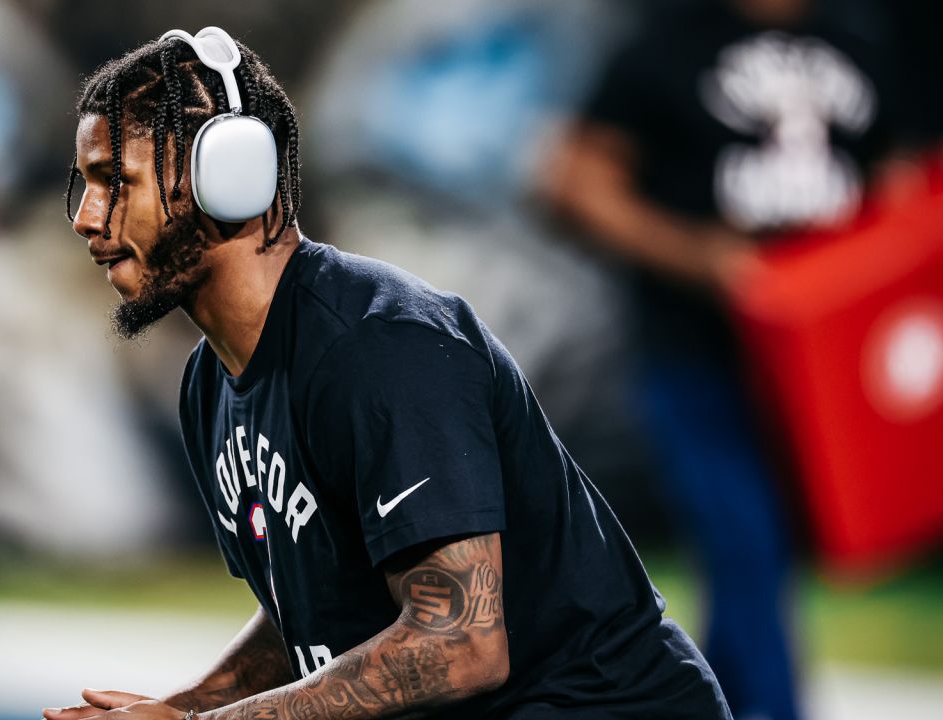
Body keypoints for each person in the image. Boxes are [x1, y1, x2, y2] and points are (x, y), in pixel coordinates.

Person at [44, 29, 730, 720]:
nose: (84, 217)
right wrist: (183, 707)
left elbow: (459, 642)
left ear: (228, 178)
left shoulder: (381, 347)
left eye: (114, 182)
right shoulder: (211, 382)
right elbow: (314, 612)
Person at [541, 1, 904, 718]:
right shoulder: (667, 44)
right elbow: (572, 180)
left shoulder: (860, 41)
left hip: (824, 370)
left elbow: (905, 179)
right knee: (744, 542)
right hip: (697, 355)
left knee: (764, 558)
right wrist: (698, 255)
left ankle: (701, 706)